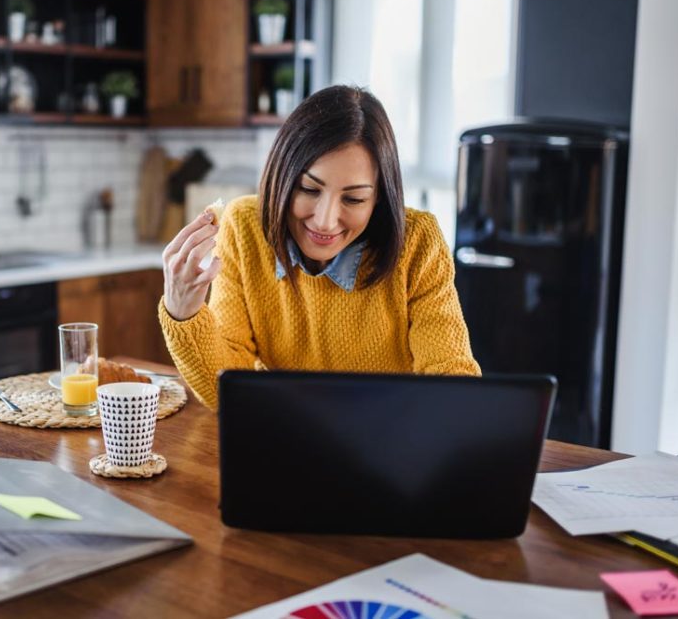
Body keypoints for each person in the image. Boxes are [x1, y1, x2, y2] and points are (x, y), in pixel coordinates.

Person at [159, 86, 480, 408]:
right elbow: (227, 389)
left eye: (354, 198)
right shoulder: (244, 226)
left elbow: (449, 374)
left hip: (389, 436)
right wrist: (183, 313)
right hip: (286, 431)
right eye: (309, 189)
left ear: (379, 196)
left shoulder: (418, 241)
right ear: (282, 176)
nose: (325, 222)